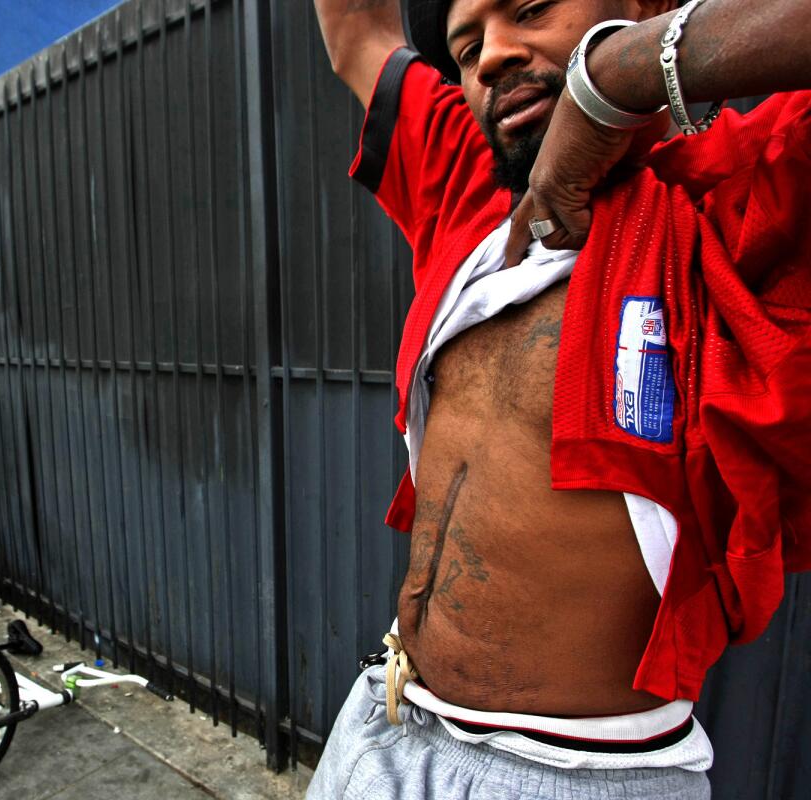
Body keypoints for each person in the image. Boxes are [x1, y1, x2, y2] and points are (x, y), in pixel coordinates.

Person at [309, 1, 811, 798]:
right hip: (386, 713)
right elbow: (357, 36)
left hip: (579, 772)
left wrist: (610, 80)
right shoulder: (471, 191)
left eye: (532, 7)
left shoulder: (746, 195)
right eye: (465, 48)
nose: (493, 57)